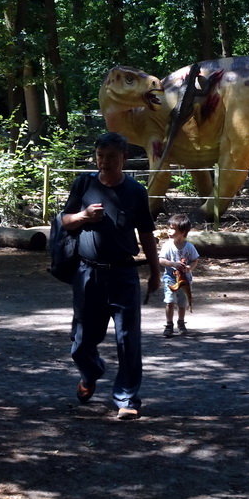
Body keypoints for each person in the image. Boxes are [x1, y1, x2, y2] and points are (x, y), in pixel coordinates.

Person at [61, 132, 160, 420]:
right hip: (87, 273)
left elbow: (146, 234)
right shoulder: (84, 184)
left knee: (128, 338)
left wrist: (155, 271)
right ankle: (91, 373)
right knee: (81, 340)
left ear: (124, 158)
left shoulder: (135, 191)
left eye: (111, 157)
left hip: (123, 274)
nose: (104, 162)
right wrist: (83, 216)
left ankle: (127, 398)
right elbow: (65, 222)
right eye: (100, 157)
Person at [159, 213, 199, 337]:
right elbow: (161, 260)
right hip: (170, 278)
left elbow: (194, 260)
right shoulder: (167, 245)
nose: (169, 231)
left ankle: (181, 323)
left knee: (182, 303)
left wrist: (189, 268)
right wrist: (172, 263)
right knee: (169, 301)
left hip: (185, 280)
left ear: (182, 232)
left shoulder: (189, 247)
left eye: (173, 229)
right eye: (169, 228)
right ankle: (169, 324)